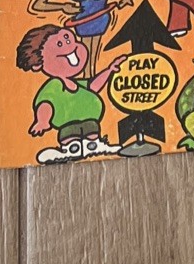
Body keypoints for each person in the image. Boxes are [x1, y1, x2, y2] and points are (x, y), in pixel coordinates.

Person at [16, 22, 124, 163]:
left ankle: (94, 145)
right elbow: (46, 102)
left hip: (90, 121)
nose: (69, 45)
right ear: (38, 64)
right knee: (70, 135)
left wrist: (109, 70)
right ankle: (70, 149)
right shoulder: (55, 85)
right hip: (68, 125)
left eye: (68, 39)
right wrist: (42, 121)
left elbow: (93, 86)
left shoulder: (76, 82)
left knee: (91, 130)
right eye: (59, 44)